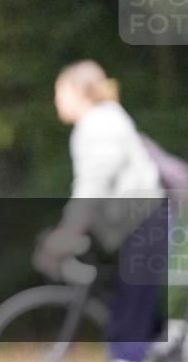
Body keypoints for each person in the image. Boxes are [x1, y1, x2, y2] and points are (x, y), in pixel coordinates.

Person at [41, 60, 167, 362]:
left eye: (59, 91)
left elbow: (93, 187)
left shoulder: (97, 123)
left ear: (76, 91)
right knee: (141, 327)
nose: (56, 99)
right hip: (146, 226)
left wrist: (68, 233)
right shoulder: (105, 119)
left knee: (126, 335)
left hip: (147, 227)